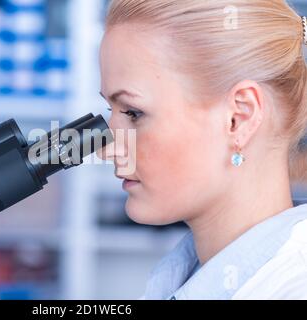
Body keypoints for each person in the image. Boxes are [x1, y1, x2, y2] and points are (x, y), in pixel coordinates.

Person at [98, 0, 307, 299]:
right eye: (112, 110)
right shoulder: (186, 275)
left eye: (133, 112)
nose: (109, 150)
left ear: (239, 117)